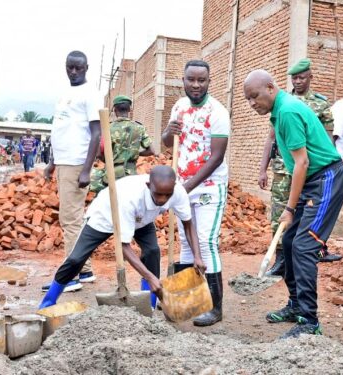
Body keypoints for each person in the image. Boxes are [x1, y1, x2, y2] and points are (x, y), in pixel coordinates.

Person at [244, 70, 343, 339]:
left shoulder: (288, 112)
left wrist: (290, 209)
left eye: (254, 96)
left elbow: (302, 162)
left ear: (270, 88)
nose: (252, 103)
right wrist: (293, 206)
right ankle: (295, 304)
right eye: (248, 99)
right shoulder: (279, 113)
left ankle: (309, 320)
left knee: (304, 246)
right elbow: (297, 165)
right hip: (311, 179)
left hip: (326, 178)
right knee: (289, 242)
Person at [39, 166, 205, 309]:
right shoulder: (130, 197)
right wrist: (150, 277)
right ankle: (48, 302)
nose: (162, 200)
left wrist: (197, 256)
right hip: (106, 215)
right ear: (148, 186)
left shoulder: (178, 192)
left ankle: (149, 307)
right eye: (158, 195)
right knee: (76, 259)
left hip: (142, 218)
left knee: (153, 251)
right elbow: (124, 246)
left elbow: (188, 224)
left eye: (167, 195)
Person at [162, 60, 230, 327]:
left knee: (205, 241)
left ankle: (215, 307)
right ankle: (191, 303)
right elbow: (168, 143)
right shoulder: (179, 106)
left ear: (209, 81)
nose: (196, 85)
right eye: (191, 79)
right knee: (187, 245)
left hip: (209, 187)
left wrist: (186, 187)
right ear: (183, 79)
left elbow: (216, 157)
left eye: (202, 80)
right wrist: (169, 131)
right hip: (183, 185)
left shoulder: (217, 112)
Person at [258, 59, 341, 276]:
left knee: (305, 226)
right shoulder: (280, 103)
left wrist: (328, 166)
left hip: (310, 172)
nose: (297, 81)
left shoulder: (311, 105)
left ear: (310, 77)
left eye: (301, 77)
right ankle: (281, 260)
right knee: (281, 217)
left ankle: (312, 255)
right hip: (285, 170)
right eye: (294, 77)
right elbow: (271, 138)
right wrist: (262, 168)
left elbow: (325, 138)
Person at [43, 51, 102, 292]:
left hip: (77, 163)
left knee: (70, 220)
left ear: (87, 67)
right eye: (70, 68)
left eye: (78, 68)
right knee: (74, 218)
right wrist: (51, 162)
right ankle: (85, 270)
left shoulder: (90, 94)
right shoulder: (66, 94)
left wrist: (86, 169)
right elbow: (61, 129)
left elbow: (96, 133)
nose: (74, 72)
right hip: (64, 161)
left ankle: (71, 277)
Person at [90, 95, 154, 193]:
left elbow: (99, 154)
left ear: (115, 110)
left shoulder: (108, 128)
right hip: (130, 175)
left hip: (111, 175)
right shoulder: (139, 127)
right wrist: (134, 152)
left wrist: (110, 159)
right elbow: (152, 151)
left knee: (109, 201)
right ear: (129, 109)